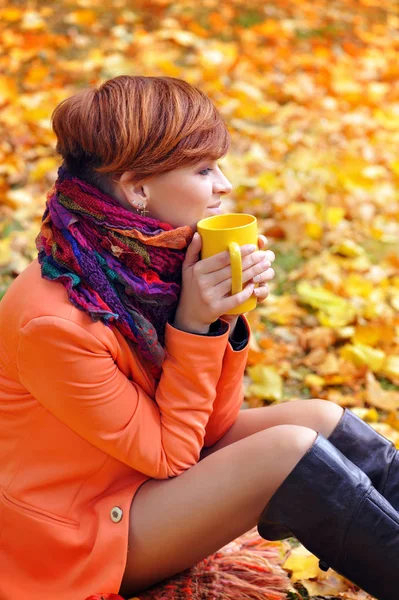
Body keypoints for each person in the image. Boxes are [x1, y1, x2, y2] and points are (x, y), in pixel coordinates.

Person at [0, 75, 398, 600]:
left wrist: (223, 317)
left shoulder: (138, 272)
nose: (225, 185)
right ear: (138, 187)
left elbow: (213, 424)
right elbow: (173, 456)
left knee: (318, 418)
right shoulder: (52, 323)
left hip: (136, 476)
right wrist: (192, 325)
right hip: (78, 536)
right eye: (205, 169)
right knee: (288, 450)